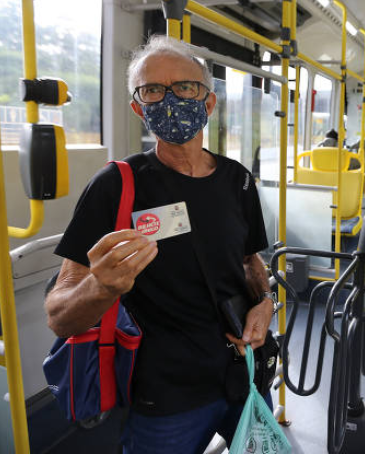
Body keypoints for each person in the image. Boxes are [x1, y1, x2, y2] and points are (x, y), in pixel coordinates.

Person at [44, 35, 275, 454]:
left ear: (208, 102)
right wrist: (102, 286)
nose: (170, 99)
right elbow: (60, 317)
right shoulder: (116, 185)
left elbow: (249, 261)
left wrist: (265, 303)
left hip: (243, 373)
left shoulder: (237, 180)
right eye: (153, 90)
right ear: (139, 108)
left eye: (184, 87)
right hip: (167, 398)